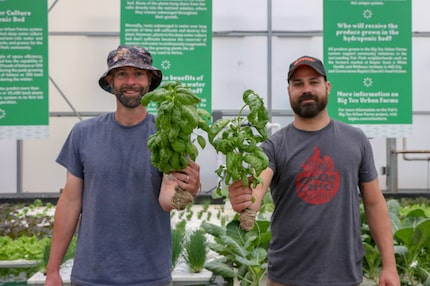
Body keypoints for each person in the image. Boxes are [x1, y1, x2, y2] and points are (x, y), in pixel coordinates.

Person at [228, 56, 400, 286]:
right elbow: (258, 185)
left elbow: (374, 203)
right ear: (289, 91)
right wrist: (248, 199)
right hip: (286, 278)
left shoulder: (355, 139)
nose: (306, 89)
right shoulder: (275, 145)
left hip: (344, 277)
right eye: (298, 83)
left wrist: (389, 266)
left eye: (313, 82)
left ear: (327, 87)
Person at [44, 46, 201, 286]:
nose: (131, 81)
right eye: (122, 74)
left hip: (149, 277)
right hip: (91, 276)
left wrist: (189, 189)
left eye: (138, 74)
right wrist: (53, 269)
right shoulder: (83, 134)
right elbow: (70, 202)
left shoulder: (168, 135)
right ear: (111, 81)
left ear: (149, 80)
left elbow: (167, 200)